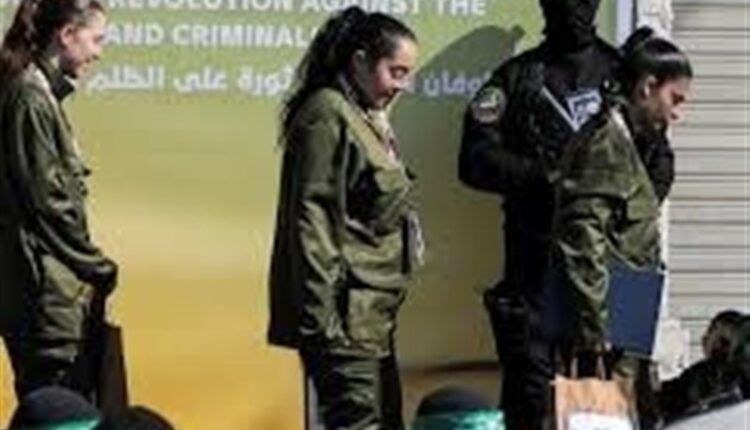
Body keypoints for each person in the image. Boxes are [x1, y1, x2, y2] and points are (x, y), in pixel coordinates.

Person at [458, 2, 674, 429]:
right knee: (536, 403)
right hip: (540, 269)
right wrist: (545, 178)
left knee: (625, 397)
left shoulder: (623, 70)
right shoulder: (518, 77)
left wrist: (613, 211)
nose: (573, 8)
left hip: (625, 272)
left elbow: (659, 163)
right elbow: (474, 159)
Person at [267, 6, 422, 430]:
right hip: (343, 321)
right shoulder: (327, 113)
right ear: (359, 61)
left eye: (408, 75)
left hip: (372, 317)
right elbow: (312, 220)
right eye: (395, 72)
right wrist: (324, 326)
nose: (402, 85)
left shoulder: (366, 117)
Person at [552, 26, 693, 425]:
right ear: (648, 86)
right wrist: (593, 329)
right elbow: (582, 239)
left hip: (628, 308)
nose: (677, 113)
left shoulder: (632, 140)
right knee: (600, 418)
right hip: (608, 320)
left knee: (630, 414)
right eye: (675, 98)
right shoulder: (605, 142)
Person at [0, 0, 118, 400]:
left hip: (50, 294)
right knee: (58, 409)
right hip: (45, 299)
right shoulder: (30, 98)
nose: (99, 53)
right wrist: (97, 265)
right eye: (96, 39)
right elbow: (48, 204)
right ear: (67, 35)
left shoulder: (37, 94)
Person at [659, 310, 744, 422]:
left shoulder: (729, 375)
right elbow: (671, 395)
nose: (705, 338)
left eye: (724, 342)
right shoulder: (700, 373)